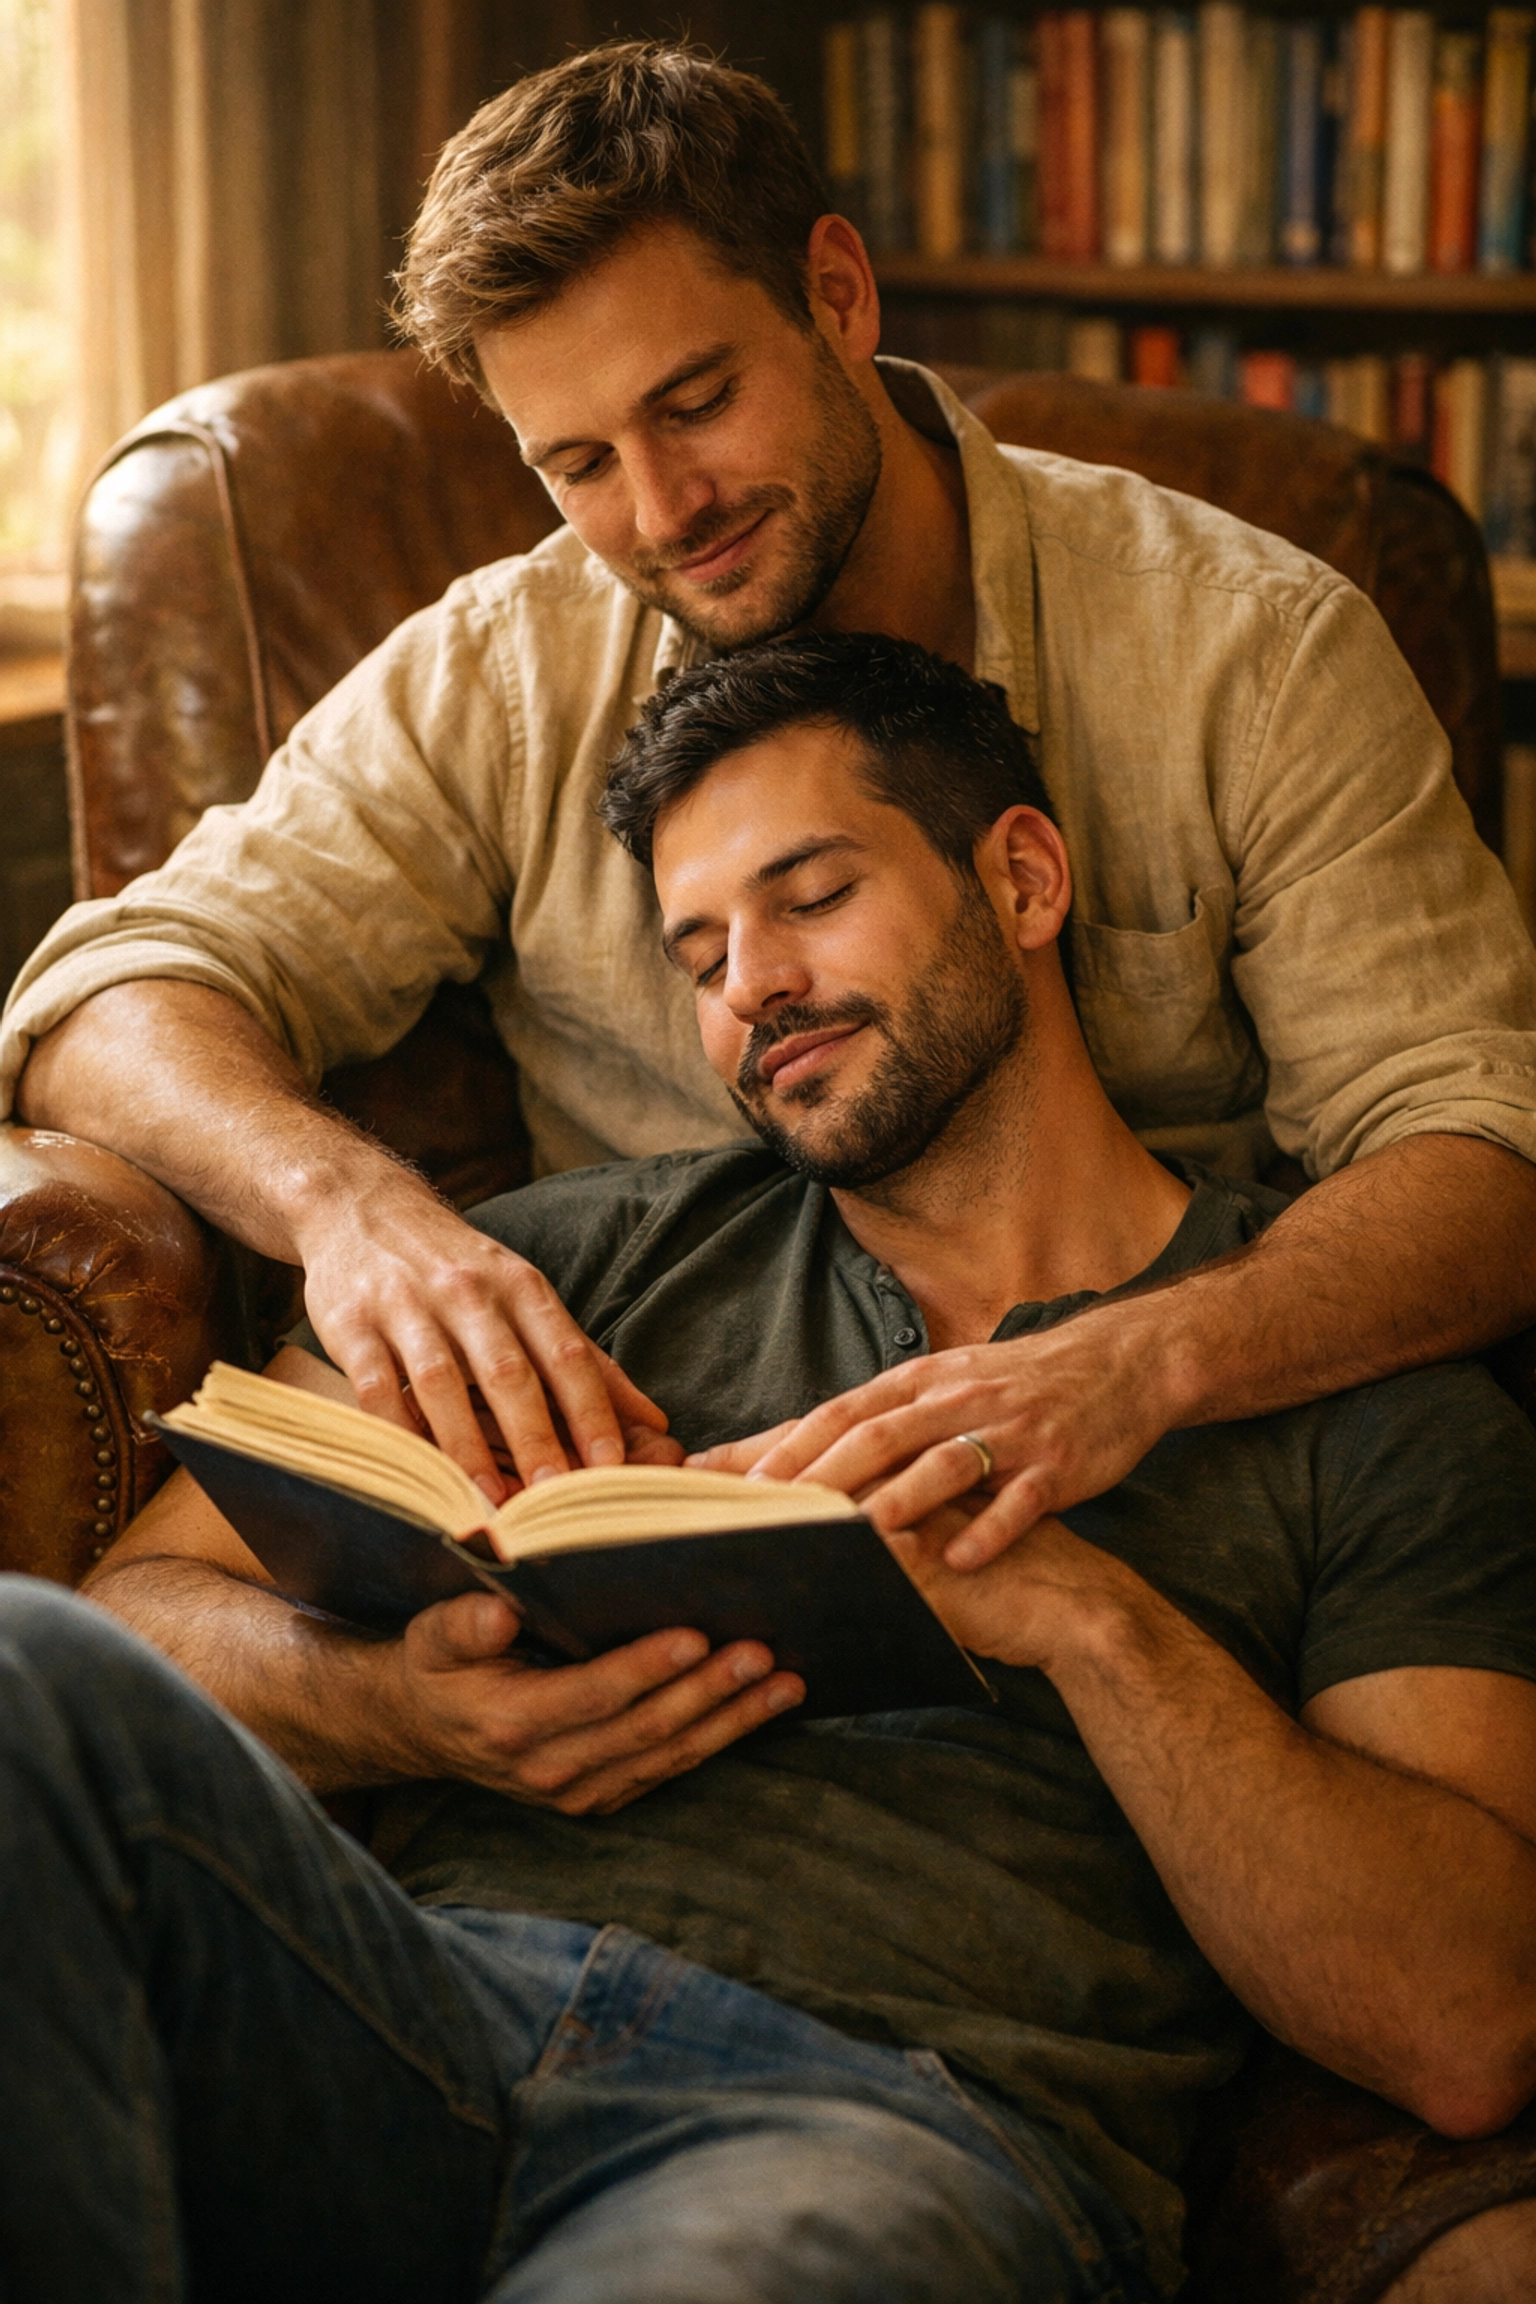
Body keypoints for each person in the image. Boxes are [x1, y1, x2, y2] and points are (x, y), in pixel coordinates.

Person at [54, 633, 1536, 2304]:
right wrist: (401, 1710)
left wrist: (1080, 1618)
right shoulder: (566, 1263)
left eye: (811, 896)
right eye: (700, 954)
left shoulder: (1350, 1384)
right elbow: (131, 1623)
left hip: (865, 2122)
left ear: (1026, 879)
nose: (748, 985)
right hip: (403, 2012)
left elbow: (1468, 2020)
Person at [6, 44, 1536, 1563]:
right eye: (582, 462)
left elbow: (1486, 1159)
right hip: (654, 1494)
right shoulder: (509, 674)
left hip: (1163, 1481)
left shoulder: (1252, 650)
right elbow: (106, 995)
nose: (667, 513)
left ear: (841, 296)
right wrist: (348, 1209)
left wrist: (1127, 1366)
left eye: (698, 400)